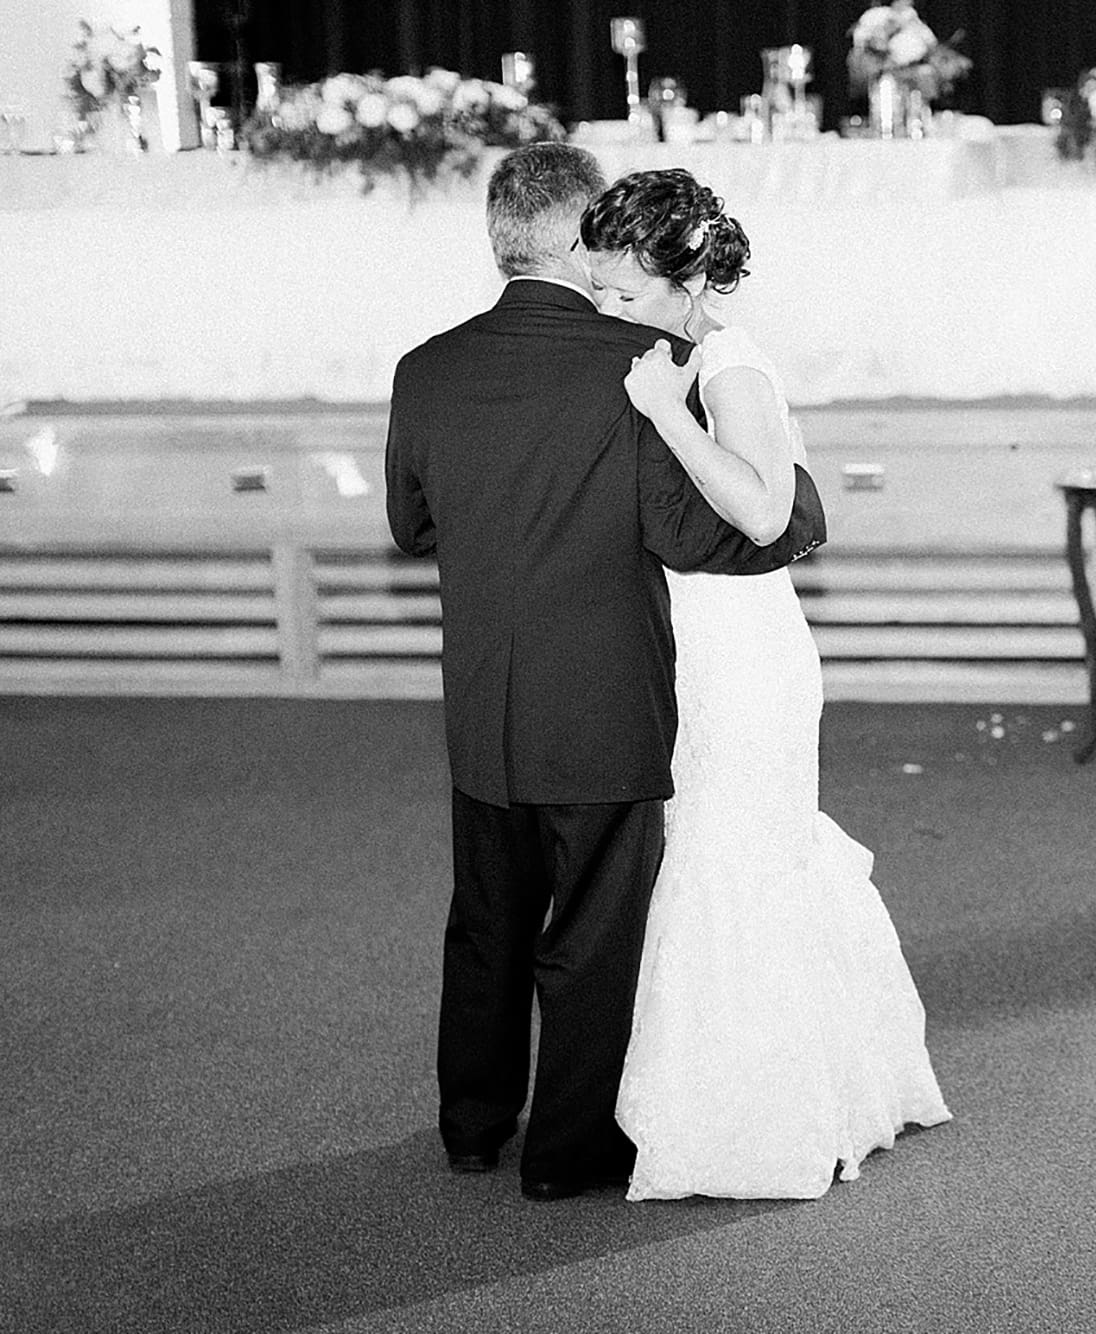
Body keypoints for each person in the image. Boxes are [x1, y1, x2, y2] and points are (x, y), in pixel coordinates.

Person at [383, 144, 826, 1203]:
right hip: (602, 706)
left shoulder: (425, 367)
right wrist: (794, 507)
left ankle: (473, 1125)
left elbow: (411, 525)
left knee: (485, 918)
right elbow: (706, 533)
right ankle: (566, 1152)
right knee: (588, 934)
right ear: (584, 239)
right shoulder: (636, 365)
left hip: (483, 703)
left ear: (498, 236)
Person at [579, 168, 950, 1200]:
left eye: (622, 291)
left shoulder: (730, 365)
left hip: (744, 656)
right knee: (709, 844)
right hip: (697, 642)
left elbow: (758, 511)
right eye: (599, 291)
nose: (606, 310)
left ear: (685, 276)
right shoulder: (681, 353)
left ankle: (758, 1113)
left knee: (731, 853)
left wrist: (664, 410)